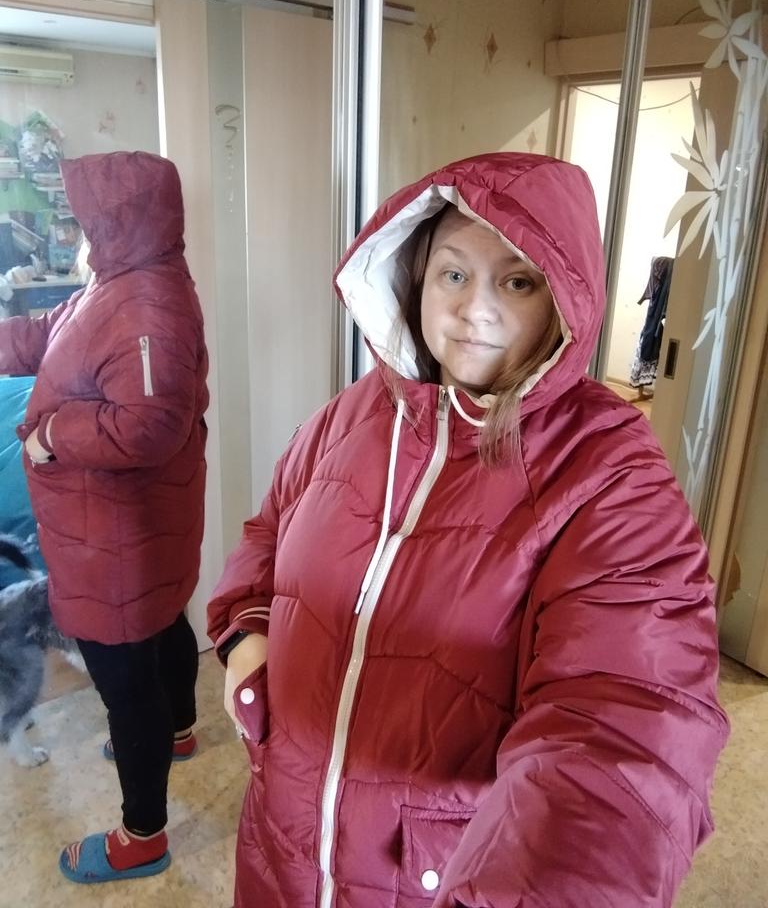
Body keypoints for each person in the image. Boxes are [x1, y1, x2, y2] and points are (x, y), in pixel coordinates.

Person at [208, 152, 728, 908]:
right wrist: (246, 633)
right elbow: (268, 530)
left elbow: (625, 731)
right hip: (281, 852)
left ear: (564, 301)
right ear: (416, 279)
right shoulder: (353, 415)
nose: (472, 310)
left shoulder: (609, 472)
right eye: (453, 274)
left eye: (517, 282)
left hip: (434, 880)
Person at [0, 150, 208, 884]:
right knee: (164, 627)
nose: (81, 231)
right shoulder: (122, 278)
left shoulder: (148, 305)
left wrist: (54, 434)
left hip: (114, 537)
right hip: (126, 530)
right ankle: (179, 733)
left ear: (116, 221)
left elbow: (148, 426)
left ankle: (142, 837)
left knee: (125, 685)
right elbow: (53, 332)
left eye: (89, 218)